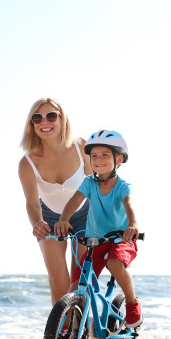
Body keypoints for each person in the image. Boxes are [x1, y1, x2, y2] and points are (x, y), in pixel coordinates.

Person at [54, 129, 142, 328]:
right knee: (76, 284)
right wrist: (64, 219)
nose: (98, 160)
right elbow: (75, 201)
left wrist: (133, 224)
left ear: (118, 159)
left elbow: (129, 205)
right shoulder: (89, 183)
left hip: (122, 239)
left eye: (104, 155)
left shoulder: (122, 186)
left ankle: (132, 302)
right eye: (94, 156)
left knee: (114, 264)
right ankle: (72, 326)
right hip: (95, 241)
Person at [19, 97, 92, 306]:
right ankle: (60, 335)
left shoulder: (81, 147)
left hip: (84, 214)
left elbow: (99, 182)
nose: (45, 122)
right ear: (31, 125)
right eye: (37, 118)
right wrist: (36, 223)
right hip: (49, 217)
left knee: (79, 281)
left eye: (51, 115)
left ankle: (82, 332)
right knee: (59, 282)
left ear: (62, 119)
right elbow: (32, 203)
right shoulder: (27, 163)